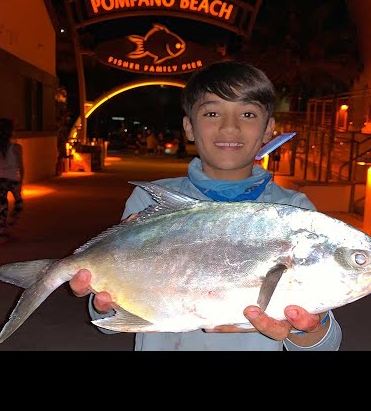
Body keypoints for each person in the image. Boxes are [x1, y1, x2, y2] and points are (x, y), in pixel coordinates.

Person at [70, 61, 342, 350]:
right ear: (189, 126)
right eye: (212, 113)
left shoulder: (295, 213)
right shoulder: (150, 200)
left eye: (247, 114)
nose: (229, 127)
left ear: (268, 130)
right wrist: (102, 302)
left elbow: (327, 344)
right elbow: (109, 311)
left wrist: (306, 327)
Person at [0, 117, 24, 242]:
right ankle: (11, 222)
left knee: (2, 205)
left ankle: (2, 230)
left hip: (0, 179)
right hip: (13, 178)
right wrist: (21, 181)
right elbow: (21, 166)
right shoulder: (16, 148)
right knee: (19, 203)